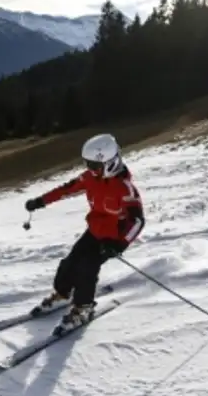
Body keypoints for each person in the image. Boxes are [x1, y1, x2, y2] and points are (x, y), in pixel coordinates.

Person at [24, 133, 145, 330]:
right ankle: (63, 294)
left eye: (94, 165)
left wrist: (119, 244)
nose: (90, 169)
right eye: (88, 164)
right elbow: (66, 189)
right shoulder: (90, 178)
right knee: (70, 262)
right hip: (94, 231)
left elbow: (137, 221)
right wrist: (40, 201)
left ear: (110, 163)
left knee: (87, 267)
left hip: (112, 238)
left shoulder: (125, 189)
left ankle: (84, 307)